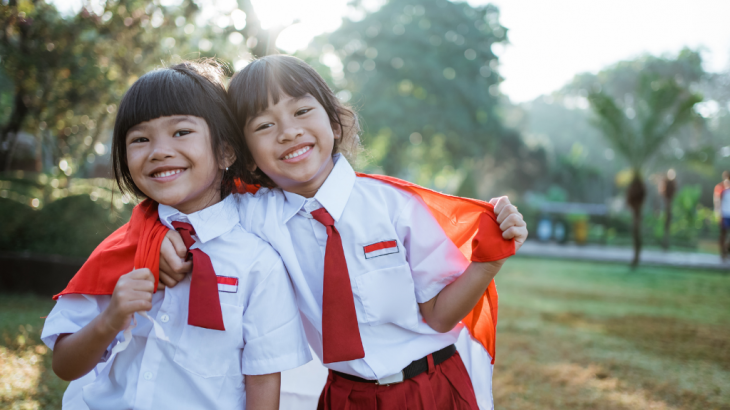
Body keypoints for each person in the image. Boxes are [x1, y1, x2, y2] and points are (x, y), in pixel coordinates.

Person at [160, 55, 528, 409]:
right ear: (248, 154)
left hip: (430, 388)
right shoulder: (253, 215)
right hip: (345, 397)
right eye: (264, 125)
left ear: (335, 124)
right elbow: (183, 207)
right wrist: (158, 237)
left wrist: (487, 265)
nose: (289, 132)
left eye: (302, 111)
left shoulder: (394, 206)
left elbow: (438, 316)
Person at [40, 61, 311, 410]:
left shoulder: (259, 262)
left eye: (181, 132)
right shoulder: (121, 249)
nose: (159, 151)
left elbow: (262, 380)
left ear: (226, 150)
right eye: (140, 139)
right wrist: (111, 319)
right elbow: (64, 366)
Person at [714, 171, 730, 261]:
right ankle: (722, 253)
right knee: (723, 234)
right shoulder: (721, 189)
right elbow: (717, 202)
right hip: (724, 214)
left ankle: (726, 250)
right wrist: (718, 213)